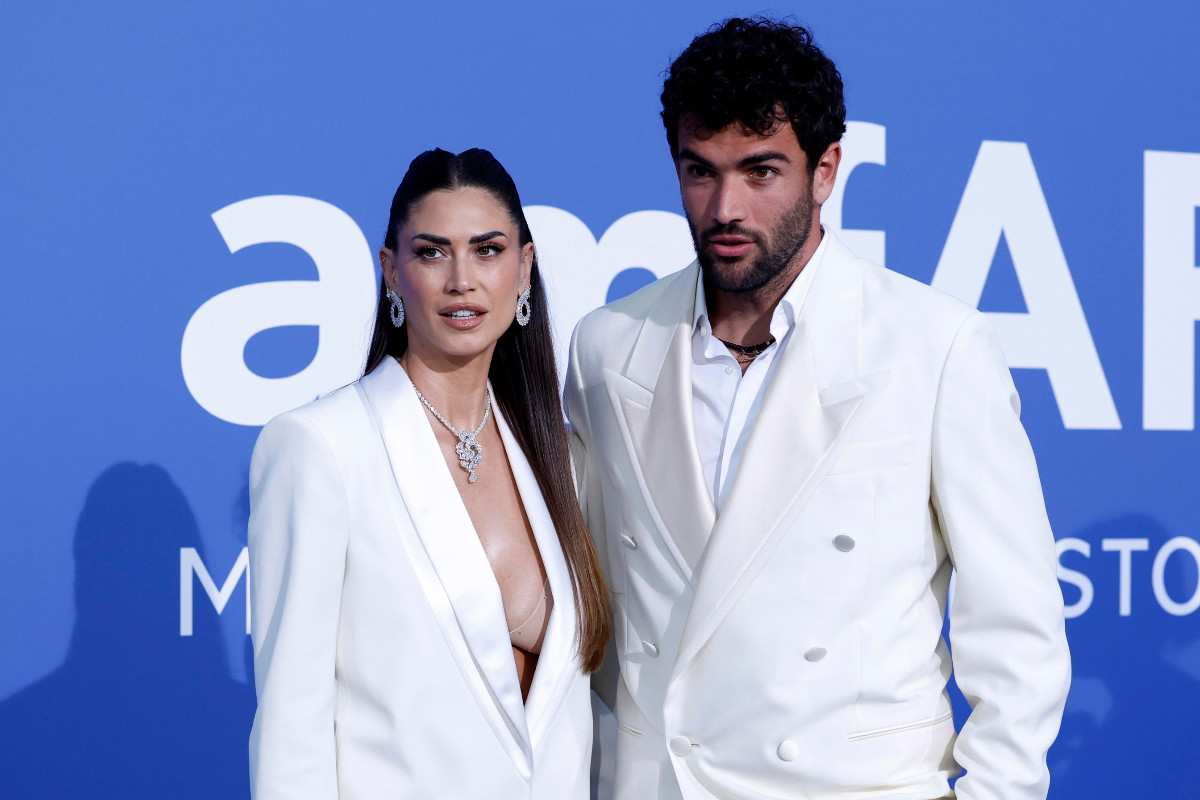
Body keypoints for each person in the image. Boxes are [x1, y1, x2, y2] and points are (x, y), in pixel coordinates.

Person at [566, 18, 1070, 800]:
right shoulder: (608, 347)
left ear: (826, 168)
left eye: (760, 171)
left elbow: (1019, 631)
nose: (725, 207)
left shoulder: (932, 348)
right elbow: (593, 611)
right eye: (700, 172)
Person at [247, 148, 609, 799]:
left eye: (488, 250)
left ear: (525, 269)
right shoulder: (322, 447)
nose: (461, 280)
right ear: (391, 271)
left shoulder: (561, 460)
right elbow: (289, 726)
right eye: (432, 252)